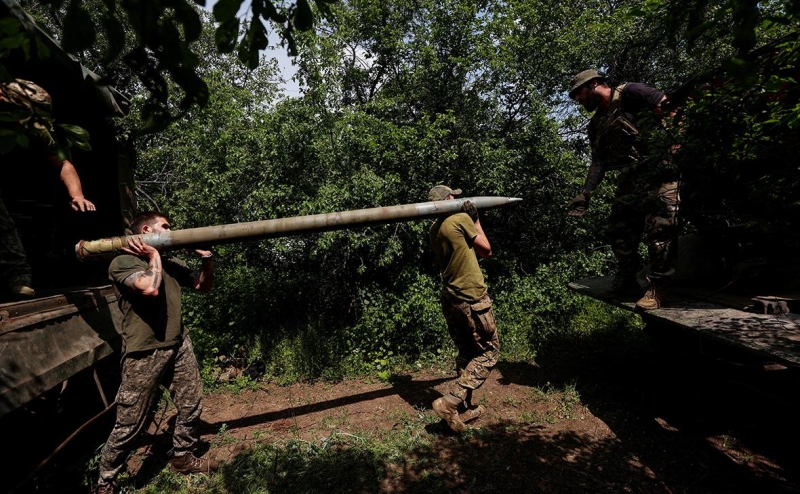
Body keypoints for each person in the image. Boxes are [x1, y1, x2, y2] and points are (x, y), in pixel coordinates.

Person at [94, 211, 217, 494]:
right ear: (147, 230)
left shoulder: (170, 263)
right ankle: (105, 483)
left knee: (191, 403)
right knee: (130, 423)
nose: (171, 231)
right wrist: (153, 256)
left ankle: (182, 457)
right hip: (144, 351)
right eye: (165, 227)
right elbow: (149, 287)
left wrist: (207, 259)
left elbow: (203, 286)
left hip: (177, 343)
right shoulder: (122, 261)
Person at [566, 69, 680, 310]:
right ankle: (627, 281)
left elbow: (671, 109)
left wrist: (677, 144)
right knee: (619, 229)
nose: (578, 100)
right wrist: (586, 193)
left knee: (659, 230)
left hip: (661, 171)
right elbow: (599, 162)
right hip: (632, 176)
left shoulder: (632, 92)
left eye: (579, 94)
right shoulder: (596, 123)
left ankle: (660, 287)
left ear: (594, 84)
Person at [0, 78, 96, 300]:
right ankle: (17, 276)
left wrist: (77, 195)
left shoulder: (35, 130)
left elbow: (63, 163)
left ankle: (17, 279)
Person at [427, 185, 500, 433]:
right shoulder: (459, 219)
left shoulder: (434, 229)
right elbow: (487, 251)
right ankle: (451, 401)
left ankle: (464, 409)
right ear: (447, 200)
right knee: (489, 352)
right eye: (453, 197)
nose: (457, 199)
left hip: (451, 298)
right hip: (472, 297)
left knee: (467, 351)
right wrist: (476, 220)